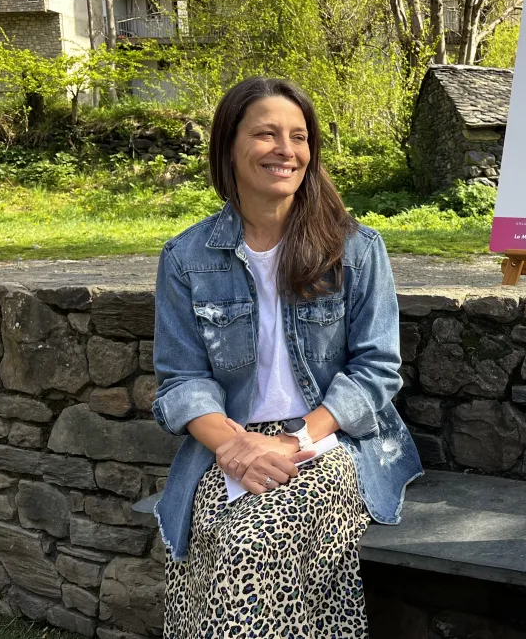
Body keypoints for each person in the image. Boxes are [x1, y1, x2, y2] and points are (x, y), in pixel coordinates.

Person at [152, 77, 422, 637]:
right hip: (231, 442)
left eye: (298, 137)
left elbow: (376, 371)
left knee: (252, 543)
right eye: (266, 134)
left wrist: (291, 440)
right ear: (229, 145)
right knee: (213, 536)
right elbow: (181, 381)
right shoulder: (186, 257)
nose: (286, 150)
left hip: (330, 440)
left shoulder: (356, 249)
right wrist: (233, 447)